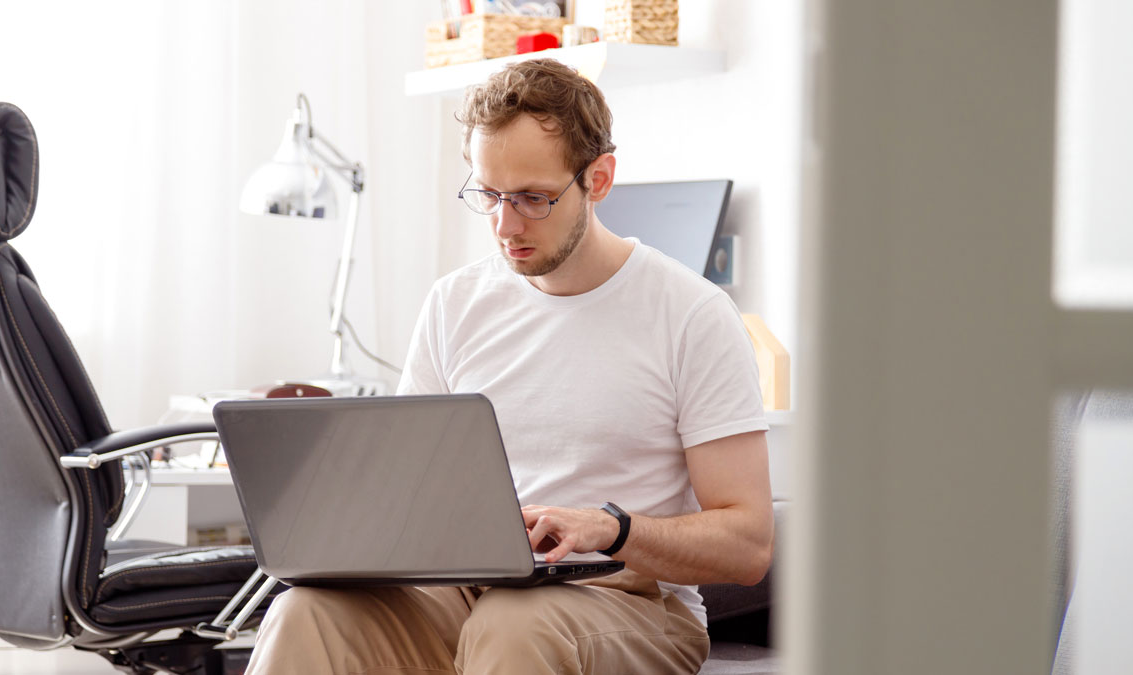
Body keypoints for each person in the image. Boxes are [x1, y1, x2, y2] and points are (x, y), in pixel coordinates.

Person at [245, 59, 773, 675]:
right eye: (488, 194)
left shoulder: (692, 314)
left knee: (514, 624)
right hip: (468, 593)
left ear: (598, 179)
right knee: (305, 612)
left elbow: (748, 546)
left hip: (631, 602)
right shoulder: (455, 304)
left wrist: (613, 529)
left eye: (532, 198)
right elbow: (409, 487)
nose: (504, 224)